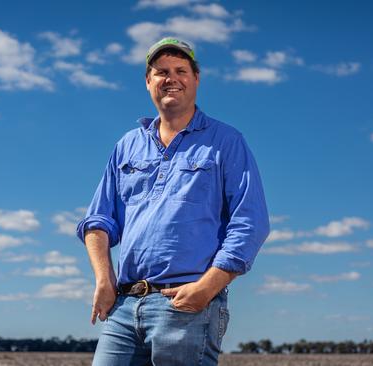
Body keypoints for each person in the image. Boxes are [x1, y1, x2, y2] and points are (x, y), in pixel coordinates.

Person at [76, 37, 270, 366]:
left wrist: (207, 288)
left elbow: (250, 222)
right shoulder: (128, 145)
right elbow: (99, 220)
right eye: (161, 71)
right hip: (124, 305)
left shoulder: (226, 142)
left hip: (185, 305)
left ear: (196, 79)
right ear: (148, 81)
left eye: (181, 70)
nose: (171, 78)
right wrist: (104, 280)